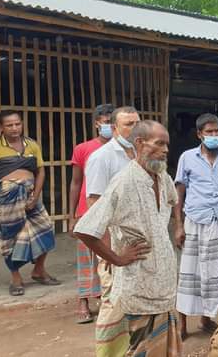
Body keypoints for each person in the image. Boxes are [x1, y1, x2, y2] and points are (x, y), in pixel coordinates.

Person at [75, 120, 182, 357]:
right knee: (139, 349)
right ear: (139, 143)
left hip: (164, 280)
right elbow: (85, 229)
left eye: (167, 144)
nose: (165, 150)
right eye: (159, 144)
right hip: (137, 282)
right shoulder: (123, 182)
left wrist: (177, 228)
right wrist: (117, 258)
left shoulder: (162, 176)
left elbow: (173, 202)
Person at [174, 113, 218, 340]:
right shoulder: (187, 157)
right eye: (209, 132)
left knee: (213, 273)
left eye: (217, 132)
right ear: (199, 134)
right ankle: (182, 322)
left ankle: (206, 318)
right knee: (189, 273)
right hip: (194, 220)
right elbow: (179, 191)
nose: (214, 136)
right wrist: (178, 225)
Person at [84, 105, 140, 357]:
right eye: (128, 124)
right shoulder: (102, 158)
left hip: (137, 243)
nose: (134, 128)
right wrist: (107, 254)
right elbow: (95, 207)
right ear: (114, 128)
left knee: (136, 300)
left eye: (136, 122)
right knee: (113, 301)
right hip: (115, 245)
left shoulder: (140, 154)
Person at [0, 110, 59, 297]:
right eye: (9, 125)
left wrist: (34, 197)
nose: (15, 128)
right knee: (10, 238)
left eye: (17, 124)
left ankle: (38, 270)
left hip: (31, 195)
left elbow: (41, 172)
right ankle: (16, 278)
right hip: (5, 199)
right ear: (1, 127)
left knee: (46, 229)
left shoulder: (31, 145)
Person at [68, 103, 114, 323]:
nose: (110, 126)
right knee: (86, 258)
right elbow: (76, 182)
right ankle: (83, 300)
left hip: (113, 211)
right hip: (87, 210)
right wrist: (72, 215)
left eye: (112, 122)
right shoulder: (83, 148)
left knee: (109, 256)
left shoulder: (122, 149)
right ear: (97, 124)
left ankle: (108, 299)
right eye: (106, 122)